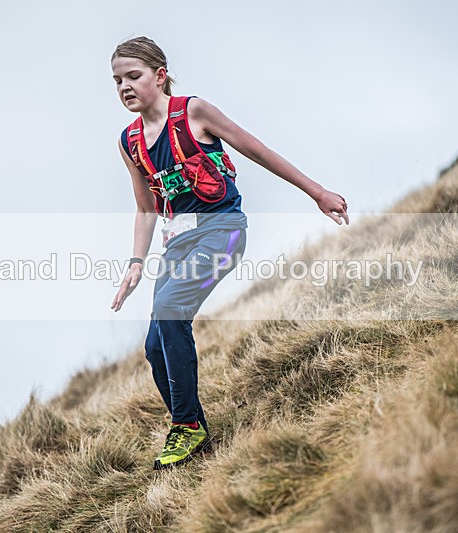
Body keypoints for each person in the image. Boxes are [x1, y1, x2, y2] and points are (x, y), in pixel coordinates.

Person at [109, 36, 349, 470]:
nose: (125, 87)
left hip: (223, 232)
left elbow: (255, 149)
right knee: (154, 346)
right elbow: (145, 210)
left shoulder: (194, 112)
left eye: (134, 76)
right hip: (177, 244)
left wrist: (316, 192)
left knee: (168, 311)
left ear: (160, 76)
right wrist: (136, 264)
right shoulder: (129, 142)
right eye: (117, 81)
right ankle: (193, 423)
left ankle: (185, 426)